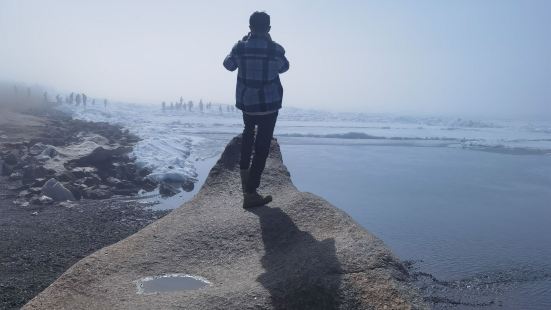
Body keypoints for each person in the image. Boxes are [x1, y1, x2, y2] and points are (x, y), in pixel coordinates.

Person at [223, 11, 289, 208]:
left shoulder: (240, 47)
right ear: (268, 29)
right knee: (262, 148)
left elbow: (228, 65)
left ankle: (246, 184)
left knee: (248, 136)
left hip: (248, 104)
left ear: (249, 27)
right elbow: (284, 68)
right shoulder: (275, 49)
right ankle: (251, 192)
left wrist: (242, 43)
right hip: (269, 105)